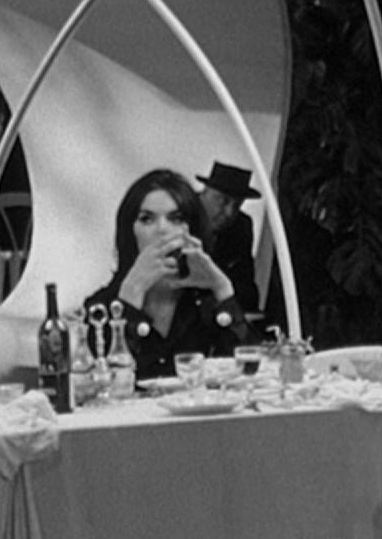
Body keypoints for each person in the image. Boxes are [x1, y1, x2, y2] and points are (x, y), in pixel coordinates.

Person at [83, 168, 249, 378]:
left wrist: (222, 287)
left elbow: (250, 370)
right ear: (130, 232)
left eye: (176, 218)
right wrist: (131, 296)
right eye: (147, 219)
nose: (162, 229)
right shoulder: (100, 309)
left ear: (192, 231)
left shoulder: (205, 305)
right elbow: (104, 382)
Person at [192, 161, 263, 323]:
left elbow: (246, 285)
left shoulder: (241, 226)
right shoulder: (178, 216)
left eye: (237, 205)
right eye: (223, 201)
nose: (230, 212)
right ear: (205, 192)